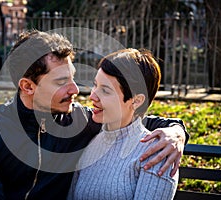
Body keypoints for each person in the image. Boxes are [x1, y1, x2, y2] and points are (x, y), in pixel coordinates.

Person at [0, 30, 187, 200]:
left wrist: (176, 131)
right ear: (27, 87)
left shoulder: (80, 122)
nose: (75, 89)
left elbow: (132, 118)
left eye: (72, 77)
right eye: (61, 82)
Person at [68, 48, 179, 200]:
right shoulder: (91, 143)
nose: (92, 96)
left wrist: (177, 131)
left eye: (105, 91)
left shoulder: (157, 153)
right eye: (95, 85)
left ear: (136, 100)